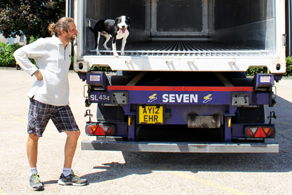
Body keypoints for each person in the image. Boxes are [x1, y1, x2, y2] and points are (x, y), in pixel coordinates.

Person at [14, 17, 88, 191]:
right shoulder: (46, 44)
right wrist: (34, 72)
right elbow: (19, 53)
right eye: (72, 29)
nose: (75, 32)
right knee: (34, 135)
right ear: (63, 32)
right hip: (42, 98)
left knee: (74, 133)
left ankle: (66, 174)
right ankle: (33, 174)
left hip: (61, 101)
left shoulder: (68, 46)